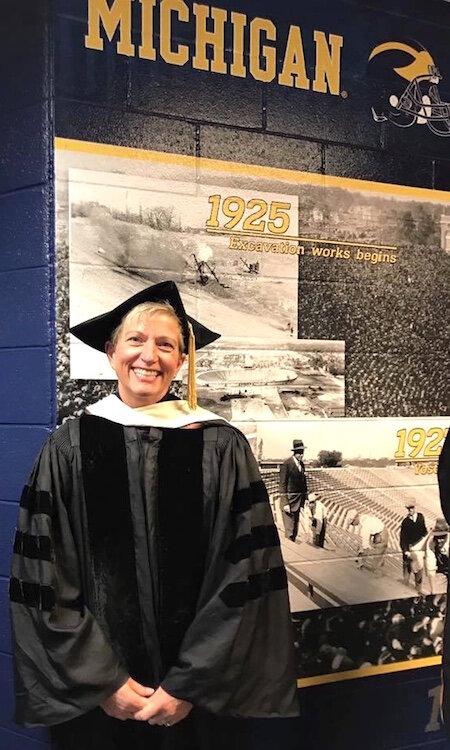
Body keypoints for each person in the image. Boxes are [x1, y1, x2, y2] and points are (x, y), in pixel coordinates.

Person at [9, 281, 299, 750]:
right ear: (110, 352)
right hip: (99, 705)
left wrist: (187, 684)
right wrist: (103, 682)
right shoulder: (69, 448)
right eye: (136, 340)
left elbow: (245, 576)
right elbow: (44, 579)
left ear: (181, 361)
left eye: (166, 344)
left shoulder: (221, 447)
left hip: (199, 704)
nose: (150, 355)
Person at [409, 517, 450, 595]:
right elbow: (430, 567)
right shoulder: (431, 542)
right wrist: (433, 591)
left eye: (442, 537)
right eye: (438, 537)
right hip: (440, 563)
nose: (439, 540)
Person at [279, 439, 308, 542]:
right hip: (289, 503)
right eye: (299, 452)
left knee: (295, 530)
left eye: (302, 452)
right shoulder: (286, 464)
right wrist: (285, 503)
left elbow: (304, 483)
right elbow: (282, 485)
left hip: (298, 502)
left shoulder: (302, 465)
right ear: (294, 452)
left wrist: (306, 498)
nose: (301, 455)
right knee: (289, 532)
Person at [346, 509, 388, 575]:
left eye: (352, 523)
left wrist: (362, 555)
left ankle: (374, 570)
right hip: (376, 532)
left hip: (381, 533)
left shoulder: (365, 526)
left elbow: (365, 543)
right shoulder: (364, 518)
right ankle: (364, 561)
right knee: (370, 547)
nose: (353, 525)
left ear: (355, 519)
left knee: (379, 550)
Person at [399, 503, 427, 589]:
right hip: (409, 549)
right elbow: (403, 537)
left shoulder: (420, 517)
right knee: (407, 571)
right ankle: (405, 593)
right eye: (408, 508)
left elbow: (424, 532)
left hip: (418, 550)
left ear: (415, 508)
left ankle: (418, 591)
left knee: (418, 572)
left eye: (412, 508)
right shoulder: (405, 521)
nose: (410, 510)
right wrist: (405, 550)